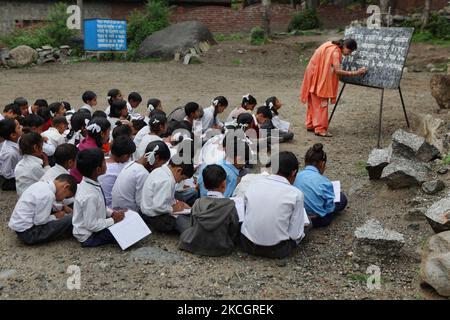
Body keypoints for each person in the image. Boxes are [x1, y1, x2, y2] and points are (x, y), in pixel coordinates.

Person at [240, 151, 309, 259]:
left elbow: (245, 213)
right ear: (293, 172)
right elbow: (295, 234)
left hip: (247, 244)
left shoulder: (254, 183)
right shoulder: (296, 194)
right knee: (308, 222)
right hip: (277, 250)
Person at [300, 38, 366, 137]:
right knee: (322, 103)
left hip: (312, 74)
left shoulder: (329, 44)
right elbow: (338, 71)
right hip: (319, 78)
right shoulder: (335, 52)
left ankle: (310, 124)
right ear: (345, 46)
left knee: (313, 101)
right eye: (350, 51)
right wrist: (356, 72)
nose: (349, 54)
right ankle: (320, 129)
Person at [178, 164, 240, 256]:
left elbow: (193, 224)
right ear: (224, 184)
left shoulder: (198, 202)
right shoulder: (230, 205)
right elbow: (233, 229)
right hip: (221, 248)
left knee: (180, 219)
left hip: (195, 244)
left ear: (205, 186)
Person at [72, 148, 125, 247]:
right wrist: (113, 220)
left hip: (94, 226)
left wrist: (112, 212)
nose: (106, 164)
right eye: (104, 162)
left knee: (122, 223)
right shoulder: (89, 195)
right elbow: (91, 225)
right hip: (89, 236)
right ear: (98, 170)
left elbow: (99, 205)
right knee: (123, 231)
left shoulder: (89, 182)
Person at [140, 144, 194, 234]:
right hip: (155, 218)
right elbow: (158, 206)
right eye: (182, 179)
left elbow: (166, 197)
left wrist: (178, 203)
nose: (180, 182)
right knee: (186, 225)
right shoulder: (167, 181)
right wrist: (174, 209)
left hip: (149, 213)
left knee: (184, 209)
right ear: (178, 170)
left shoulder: (159, 170)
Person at [8, 174, 77, 245]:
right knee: (70, 219)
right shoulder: (48, 195)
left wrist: (62, 207)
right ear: (66, 187)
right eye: (66, 197)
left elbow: (43, 205)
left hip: (20, 229)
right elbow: (40, 222)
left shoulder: (42, 185)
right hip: (29, 234)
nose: (63, 199)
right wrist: (56, 216)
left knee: (59, 213)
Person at [293, 143, 347, 228]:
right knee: (342, 198)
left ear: (305, 161)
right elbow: (330, 208)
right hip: (318, 220)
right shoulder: (325, 182)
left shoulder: (296, 176)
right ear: (322, 164)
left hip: (300, 216)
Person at [112, 141, 171, 212]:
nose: (160, 167)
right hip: (129, 213)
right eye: (162, 164)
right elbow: (142, 204)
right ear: (157, 158)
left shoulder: (132, 164)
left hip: (118, 208)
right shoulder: (142, 173)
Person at [98, 135, 136, 208]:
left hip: (101, 204)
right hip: (110, 208)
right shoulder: (122, 168)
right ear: (125, 156)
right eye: (130, 156)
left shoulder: (103, 161)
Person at [70, 117, 111, 183]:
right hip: (81, 182)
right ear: (102, 134)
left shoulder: (86, 140)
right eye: (108, 133)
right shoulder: (94, 151)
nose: (109, 135)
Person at [15, 132, 50, 196]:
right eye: (42, 146)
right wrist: (46, 164)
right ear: (36, 147)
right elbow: (49, 180)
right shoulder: (34, 166)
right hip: (32, 199)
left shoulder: (20, 163)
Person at [0, 119, 22, 190]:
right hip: (8, 179)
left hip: (16, 167)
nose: (21, 127)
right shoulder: (10, 153)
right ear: (13, 135)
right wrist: (22, 173)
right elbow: (6, 173)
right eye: (18, 127)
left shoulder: (17, 139)